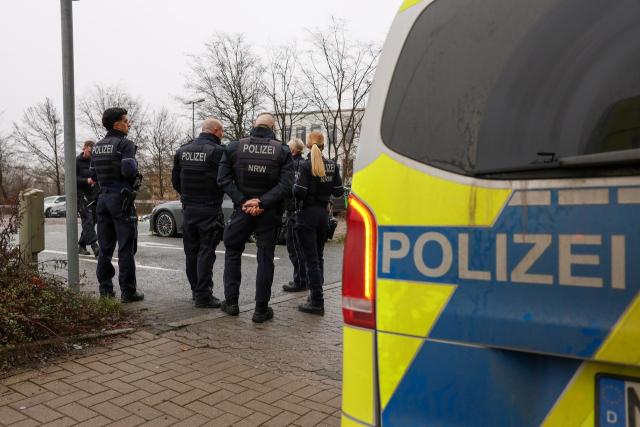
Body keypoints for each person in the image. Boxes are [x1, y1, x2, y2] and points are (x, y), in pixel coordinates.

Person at [217, 113, 293, 323]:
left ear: (254, 125)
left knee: (232, 252)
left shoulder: (233, 147)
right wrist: (262, 202)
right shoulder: (282, 150)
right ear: (273, 127)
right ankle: (260, 311)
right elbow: (286, 185)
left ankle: (231, 304)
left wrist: (244, 201)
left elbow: (223, 179)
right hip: (268, 213)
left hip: (242, 211)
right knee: (265, 258)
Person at [90, 107, 144, 303]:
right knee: (126, 248)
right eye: (126, 121)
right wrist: (135, 172)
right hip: (121, 200)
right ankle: (128, 292)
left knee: (105, 248)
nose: (128, 124)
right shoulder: (125, 144)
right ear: (117, 124)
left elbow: (94, 175)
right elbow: (129, 170)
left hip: (102, 200)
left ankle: (105, 290)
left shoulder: (96, 147)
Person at [172, 118, 226, 308]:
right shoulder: (218, 152)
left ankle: (196, 290)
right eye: (222, 132)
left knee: (191, 252)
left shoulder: (182, 150)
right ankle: (204, 295)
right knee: (206, 252)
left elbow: (175, 181)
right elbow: (224, 179)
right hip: (209, 208)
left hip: (188, 208)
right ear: (216, 131)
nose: (223, 135)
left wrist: (188, 196)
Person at [293, 131, 343, 315]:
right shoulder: (332, 165)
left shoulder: (306, 166)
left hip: (308, 215)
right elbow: (338, 192)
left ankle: (316, 301)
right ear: (323, 145)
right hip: (324, 215)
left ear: (308, 146)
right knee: (319, 257)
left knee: (311, 260)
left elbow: (298, 191)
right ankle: (316, 294)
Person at [282, 138, 308, 293]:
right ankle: (302, 279)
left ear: (293, 150)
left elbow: (292, 189)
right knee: (301, 248)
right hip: (301, 211)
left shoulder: (293, 165)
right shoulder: (304, 164)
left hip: (294, 212)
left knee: (295, 248)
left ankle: (300, 281)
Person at [77, 140, 99, 257]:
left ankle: (81, 245)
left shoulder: (94, 161)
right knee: (88, 220)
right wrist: (86, 180)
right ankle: (95, 246)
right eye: (90, 151)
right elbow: (72, 179)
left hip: (92, 195)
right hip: (80, 195)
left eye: (93, 152)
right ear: (84, 148)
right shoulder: (76, 161)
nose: (91, 154)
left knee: (93, 220)